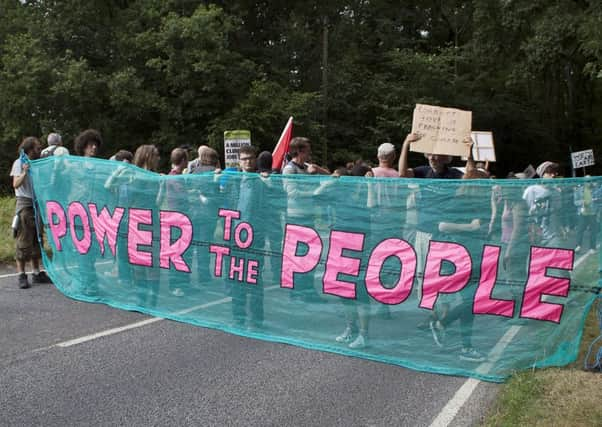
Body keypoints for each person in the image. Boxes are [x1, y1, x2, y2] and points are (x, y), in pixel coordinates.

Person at [10, 137, 52, 289]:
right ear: (29, 149)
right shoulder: (19, 163)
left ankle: (37, 273)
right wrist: (25, 172)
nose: (39, 150)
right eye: (37, 148)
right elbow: (15, 184)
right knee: (24, 240)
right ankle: (21, 275)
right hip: (25, 204)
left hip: (37, 203)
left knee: (36, 239)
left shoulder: (38, 163)